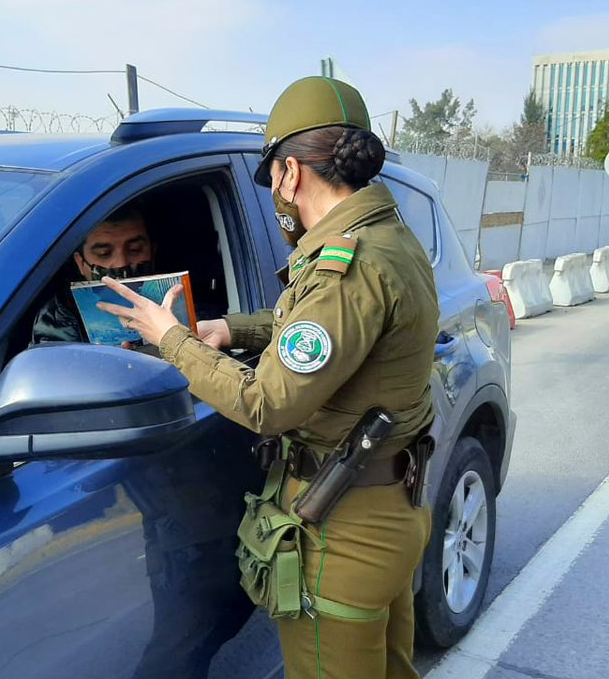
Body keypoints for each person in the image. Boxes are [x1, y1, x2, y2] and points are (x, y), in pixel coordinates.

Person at [97, 76, 439, 679]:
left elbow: (267, 404)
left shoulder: (345, 264)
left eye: (273, 179)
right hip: (386, 506)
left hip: (343, 529)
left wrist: (170, 339)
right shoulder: (387, 238)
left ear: (289, 173)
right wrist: (230, 330)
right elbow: (313, 324)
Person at [31, 206, 155, 344]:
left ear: (152, 249)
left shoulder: (178, 294)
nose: (121, 264)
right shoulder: (59, 318)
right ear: (80, 263)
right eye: (104, 254)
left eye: (135, 249)